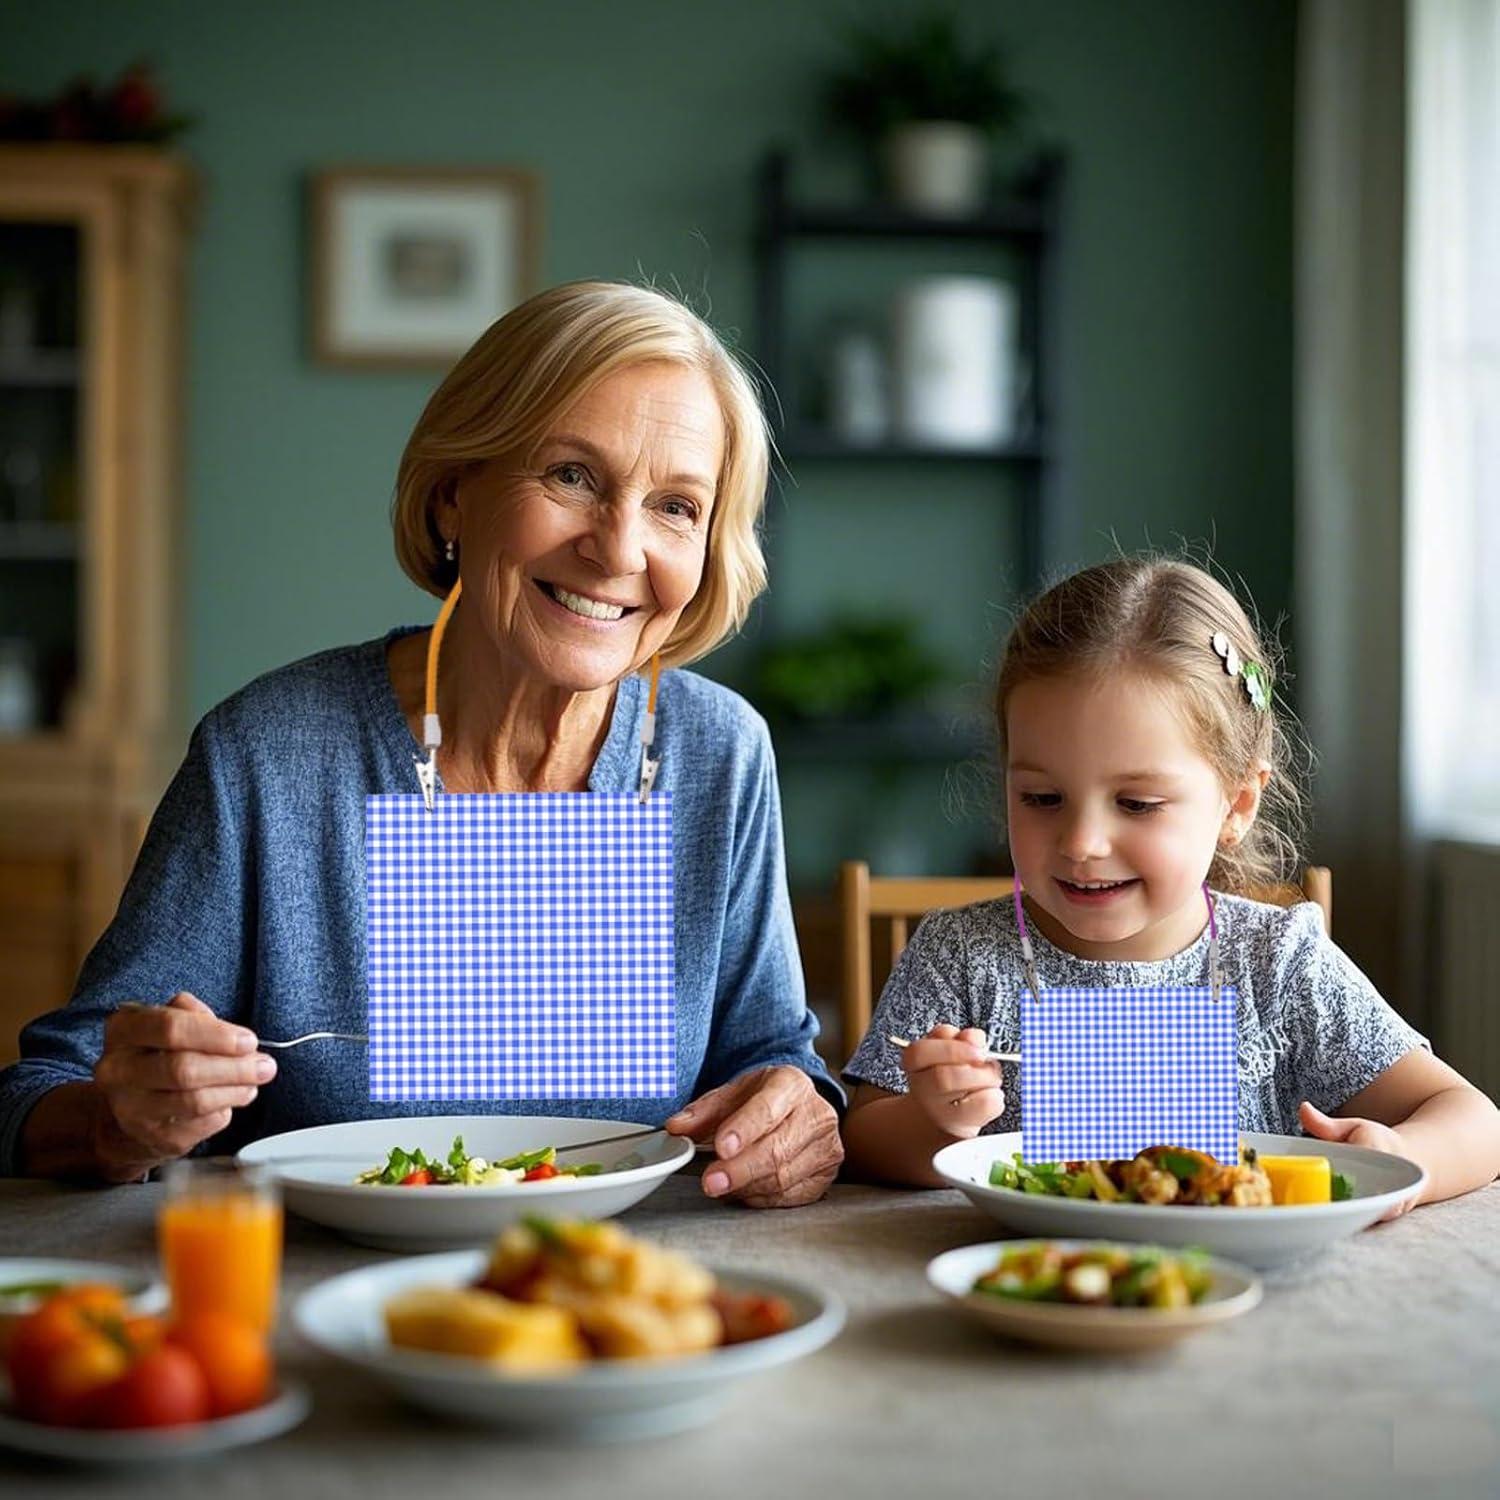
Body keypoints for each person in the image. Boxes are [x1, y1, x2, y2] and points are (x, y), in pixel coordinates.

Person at [2, 281, 843, 1207]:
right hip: (317, 1307)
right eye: (571, 476)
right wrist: (120, 1121)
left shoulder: (717, 754)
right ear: (453, 496)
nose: (618, 549)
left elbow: (772, 1060)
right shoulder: (272, 754)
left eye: (676, 507)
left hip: (613, 1306)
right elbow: (44, 1093)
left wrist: (797, 1113)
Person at [841, 557, 1500, 1210]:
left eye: (1137, 805)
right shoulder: (959, 955)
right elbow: (864, 1137)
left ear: (1236, 807)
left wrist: (1402, 1159)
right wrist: (937, 1120)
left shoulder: (1281, 966)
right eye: (1043, 798)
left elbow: (1471, 1119)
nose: (1082, 843)